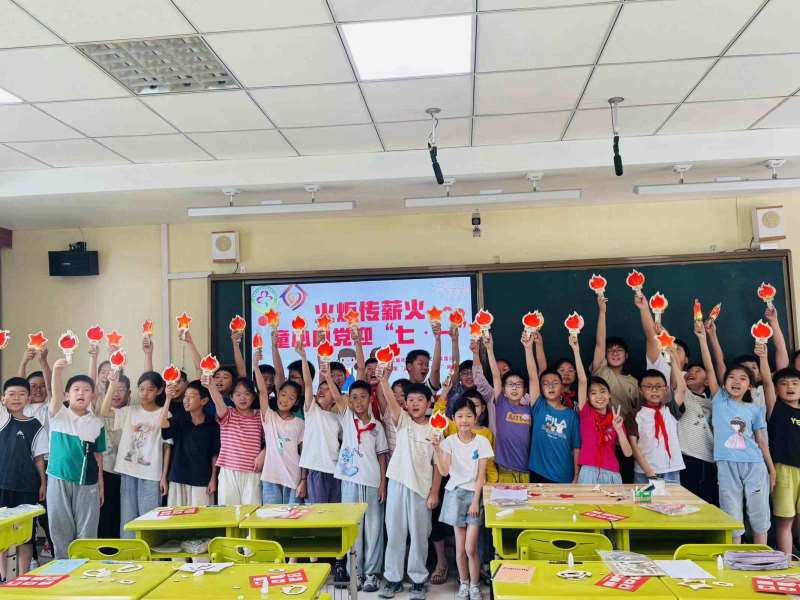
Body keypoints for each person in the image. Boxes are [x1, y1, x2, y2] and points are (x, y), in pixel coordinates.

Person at [379, 369, 439, 600]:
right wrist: (384, 379)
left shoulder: (436, 428)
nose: (414, 404)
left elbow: (438, 466)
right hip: (397, 483)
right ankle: (393, 579)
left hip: (422, 489)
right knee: (394, 533)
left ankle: (417, 580)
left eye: (420, 400)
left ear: (429, 403)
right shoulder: (402, 421)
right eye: (410, 400)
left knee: (420, 535)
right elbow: (390, 401)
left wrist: (434, 493)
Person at [713, 347, 776, 544]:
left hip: (754, 464)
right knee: (731, 511)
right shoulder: (719, 401)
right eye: (731, 377)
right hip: (726, 463)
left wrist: (771, 469)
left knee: (760, 512)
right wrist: (703, 339)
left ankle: (761, 554)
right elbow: (715, 364)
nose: (736, 381)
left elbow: (761, 441)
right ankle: (735, 555)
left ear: (750, 386)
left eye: (743, 378)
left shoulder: (755, 409)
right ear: (724, 383)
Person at [433, 396, 493, 600]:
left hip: (474, 496)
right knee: (459, 549)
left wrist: (476, 501)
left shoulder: (482, 442)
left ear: (476, 417)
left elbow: (481, 475)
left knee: (470, 548)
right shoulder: (449, 442)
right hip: (455, 495)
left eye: (468, 416)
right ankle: (464, 584)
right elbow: (444, 471)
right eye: (460, 416)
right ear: (453, 418)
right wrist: (436, 448)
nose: (464, 420)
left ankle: (475, 585)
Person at [47, 359, 106, 559]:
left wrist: (101, 485)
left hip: (88, 481)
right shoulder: (58, 414)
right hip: (59, 477)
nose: (81, 393)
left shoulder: (97, 423)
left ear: (92, 396)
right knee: (60, 529)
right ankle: (63, 569)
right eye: (76, 389)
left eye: (86, 390)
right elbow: (55, 395)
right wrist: (57, 371)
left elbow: (98, 456)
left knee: (87, 533)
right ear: (67, 395)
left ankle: (85, 571)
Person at [101, 369, 169, 537]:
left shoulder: (165, 413)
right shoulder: (130, 411)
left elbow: (167, 447)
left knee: (149, 520)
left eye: (150, 389)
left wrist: (163, 477)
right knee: (128, 520)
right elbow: (104, 411)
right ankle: (130, 552)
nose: (145, 393)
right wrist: (112, 385)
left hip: (151, 475)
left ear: (159, 390)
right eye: (142, 389)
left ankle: (149, 553)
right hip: (128, 471)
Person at [335, 379, 388, 590]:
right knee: (353, 528)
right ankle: (355, 573)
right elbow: (337, 396)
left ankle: (371, 574)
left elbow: (382, 457)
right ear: (349, 400)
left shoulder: (377, 427)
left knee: (373, 529)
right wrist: (327, 375)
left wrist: (383, 484)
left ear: (370, 398)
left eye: (363, 397)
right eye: (354, 397)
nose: (358, 401)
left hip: (372, 482)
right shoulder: (347, 419)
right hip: (349, 482)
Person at [0, 377, 47, 578]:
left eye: (21, 394)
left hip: (28, 486)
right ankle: (3, 577)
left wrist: (43, 483)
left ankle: (23, 576)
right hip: (3, 485)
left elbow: (39, 458)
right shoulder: (2, 419)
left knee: (26, 535)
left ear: (28, 398)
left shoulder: (36, 425)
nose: (16, 398)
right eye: (11, 394)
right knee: (1, 533)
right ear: (3, 399)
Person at [528, 334, 581, 483]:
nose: (550, 386)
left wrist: (576, 475)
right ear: (541, 388)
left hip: (564, 476)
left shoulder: (572, 415)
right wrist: (528, 347)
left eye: (555, 383)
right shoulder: (539, 406)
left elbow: (576, 447)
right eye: (546, 384)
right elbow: (533, 376)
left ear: (562, 387)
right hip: (538, 472)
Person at [206, 373, 264, 505]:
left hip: (253, 472)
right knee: (228, 511)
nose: (242, 398)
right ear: (231, 397)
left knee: (251, 511)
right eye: (238, 394)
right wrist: (211, 385)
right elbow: (218, 401)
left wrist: (264, 453)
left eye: (247, 394)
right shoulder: (228, 413)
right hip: (229, 470)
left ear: (253, 396)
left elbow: (270, 439)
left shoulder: (259, 416)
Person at [677, 322, 719, 504]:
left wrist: (703, 338)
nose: (691, 373)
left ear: (708, 381)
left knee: (708, 505)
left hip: (709, 461)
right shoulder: (682, 394)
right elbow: (676, 372)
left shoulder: (715, 401)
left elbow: (711, 368)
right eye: (689, 371)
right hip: (685, 459)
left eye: (697, 371)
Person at [258, 342, 304, 505]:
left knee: (292, 518)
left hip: (294, 479)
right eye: (283, 394)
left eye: (291, 398)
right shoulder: (269, 417)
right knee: (271, 518)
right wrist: (255, 365)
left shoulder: (300, 423)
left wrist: (303, 480)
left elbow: (303, 453)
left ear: (296, 402)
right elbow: (262, 392)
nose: (285, 400)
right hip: (271, 478)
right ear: (277, 395)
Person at [626, 357, 685, 484]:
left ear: (666, 389)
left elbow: (682, 389)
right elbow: (633, 445)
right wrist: (649, 472)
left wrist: (674, 362)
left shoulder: (670, 410)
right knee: (644, 498)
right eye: (648, 386)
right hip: (644, 472)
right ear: (640, 390)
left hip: (671, 470)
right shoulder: (635, 415)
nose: (654, 390)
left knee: (673, 498)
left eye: (658, 386)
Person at [160, 380, 219, 506]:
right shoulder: (180, 419)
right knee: (177, 516)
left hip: (202, 479)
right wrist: (168, 398)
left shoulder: (212, 424)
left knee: (201, 515)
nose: (186, 400)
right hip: (178, 476)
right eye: (185, 396)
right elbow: (163, 424)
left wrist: (213, 479)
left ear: (204, 401)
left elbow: (215, 454)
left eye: (191, 396)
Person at [486, 332, 532, 483]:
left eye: (518, 385)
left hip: (526, 469)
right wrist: (489, 348)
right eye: (510, 384)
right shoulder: (501, 403)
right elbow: (495, 375)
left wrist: (528, 347)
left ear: (524, 390)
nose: (514, 388)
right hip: (504, 469)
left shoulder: (530, 410)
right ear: (504, 390)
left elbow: (533, 377)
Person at [299, 359, 344, 505]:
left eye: (327, 389)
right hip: (316, 470)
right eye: (320, 388)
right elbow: (307, 383)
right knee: (317, 514)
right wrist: (303, 357)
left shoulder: (339, 418)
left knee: (334, 512)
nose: (321, 391)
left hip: (336, 471)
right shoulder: (312, 410)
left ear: (335, 397)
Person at [767, 366, 800, 556]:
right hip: (783, 470)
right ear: (776, 388)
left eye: (795, 383)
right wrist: (763, 357)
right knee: (785, 520)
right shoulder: (777, 408)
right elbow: (766, 381)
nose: (790, 387)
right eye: (784, 383)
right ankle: (785, 561)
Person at [576, 372, 631, 484]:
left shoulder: (615, 419)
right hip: (589, 471)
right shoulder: (586, 413)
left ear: (609, 394)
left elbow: (628, 453)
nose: (599, 396)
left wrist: (619, 429)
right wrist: (577, 358)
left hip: (612, 472)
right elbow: (582, 380)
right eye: (593, 393)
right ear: (588, 398)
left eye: (603, 391)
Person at [95, 372, 129, 538]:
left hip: (127, 472)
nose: (116, 393)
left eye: (121, 389)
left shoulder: (131, 413)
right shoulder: (99, 412)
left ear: (129, 393)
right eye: (113, 389)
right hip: (106, 471)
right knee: (106, 514)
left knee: (125, 514)